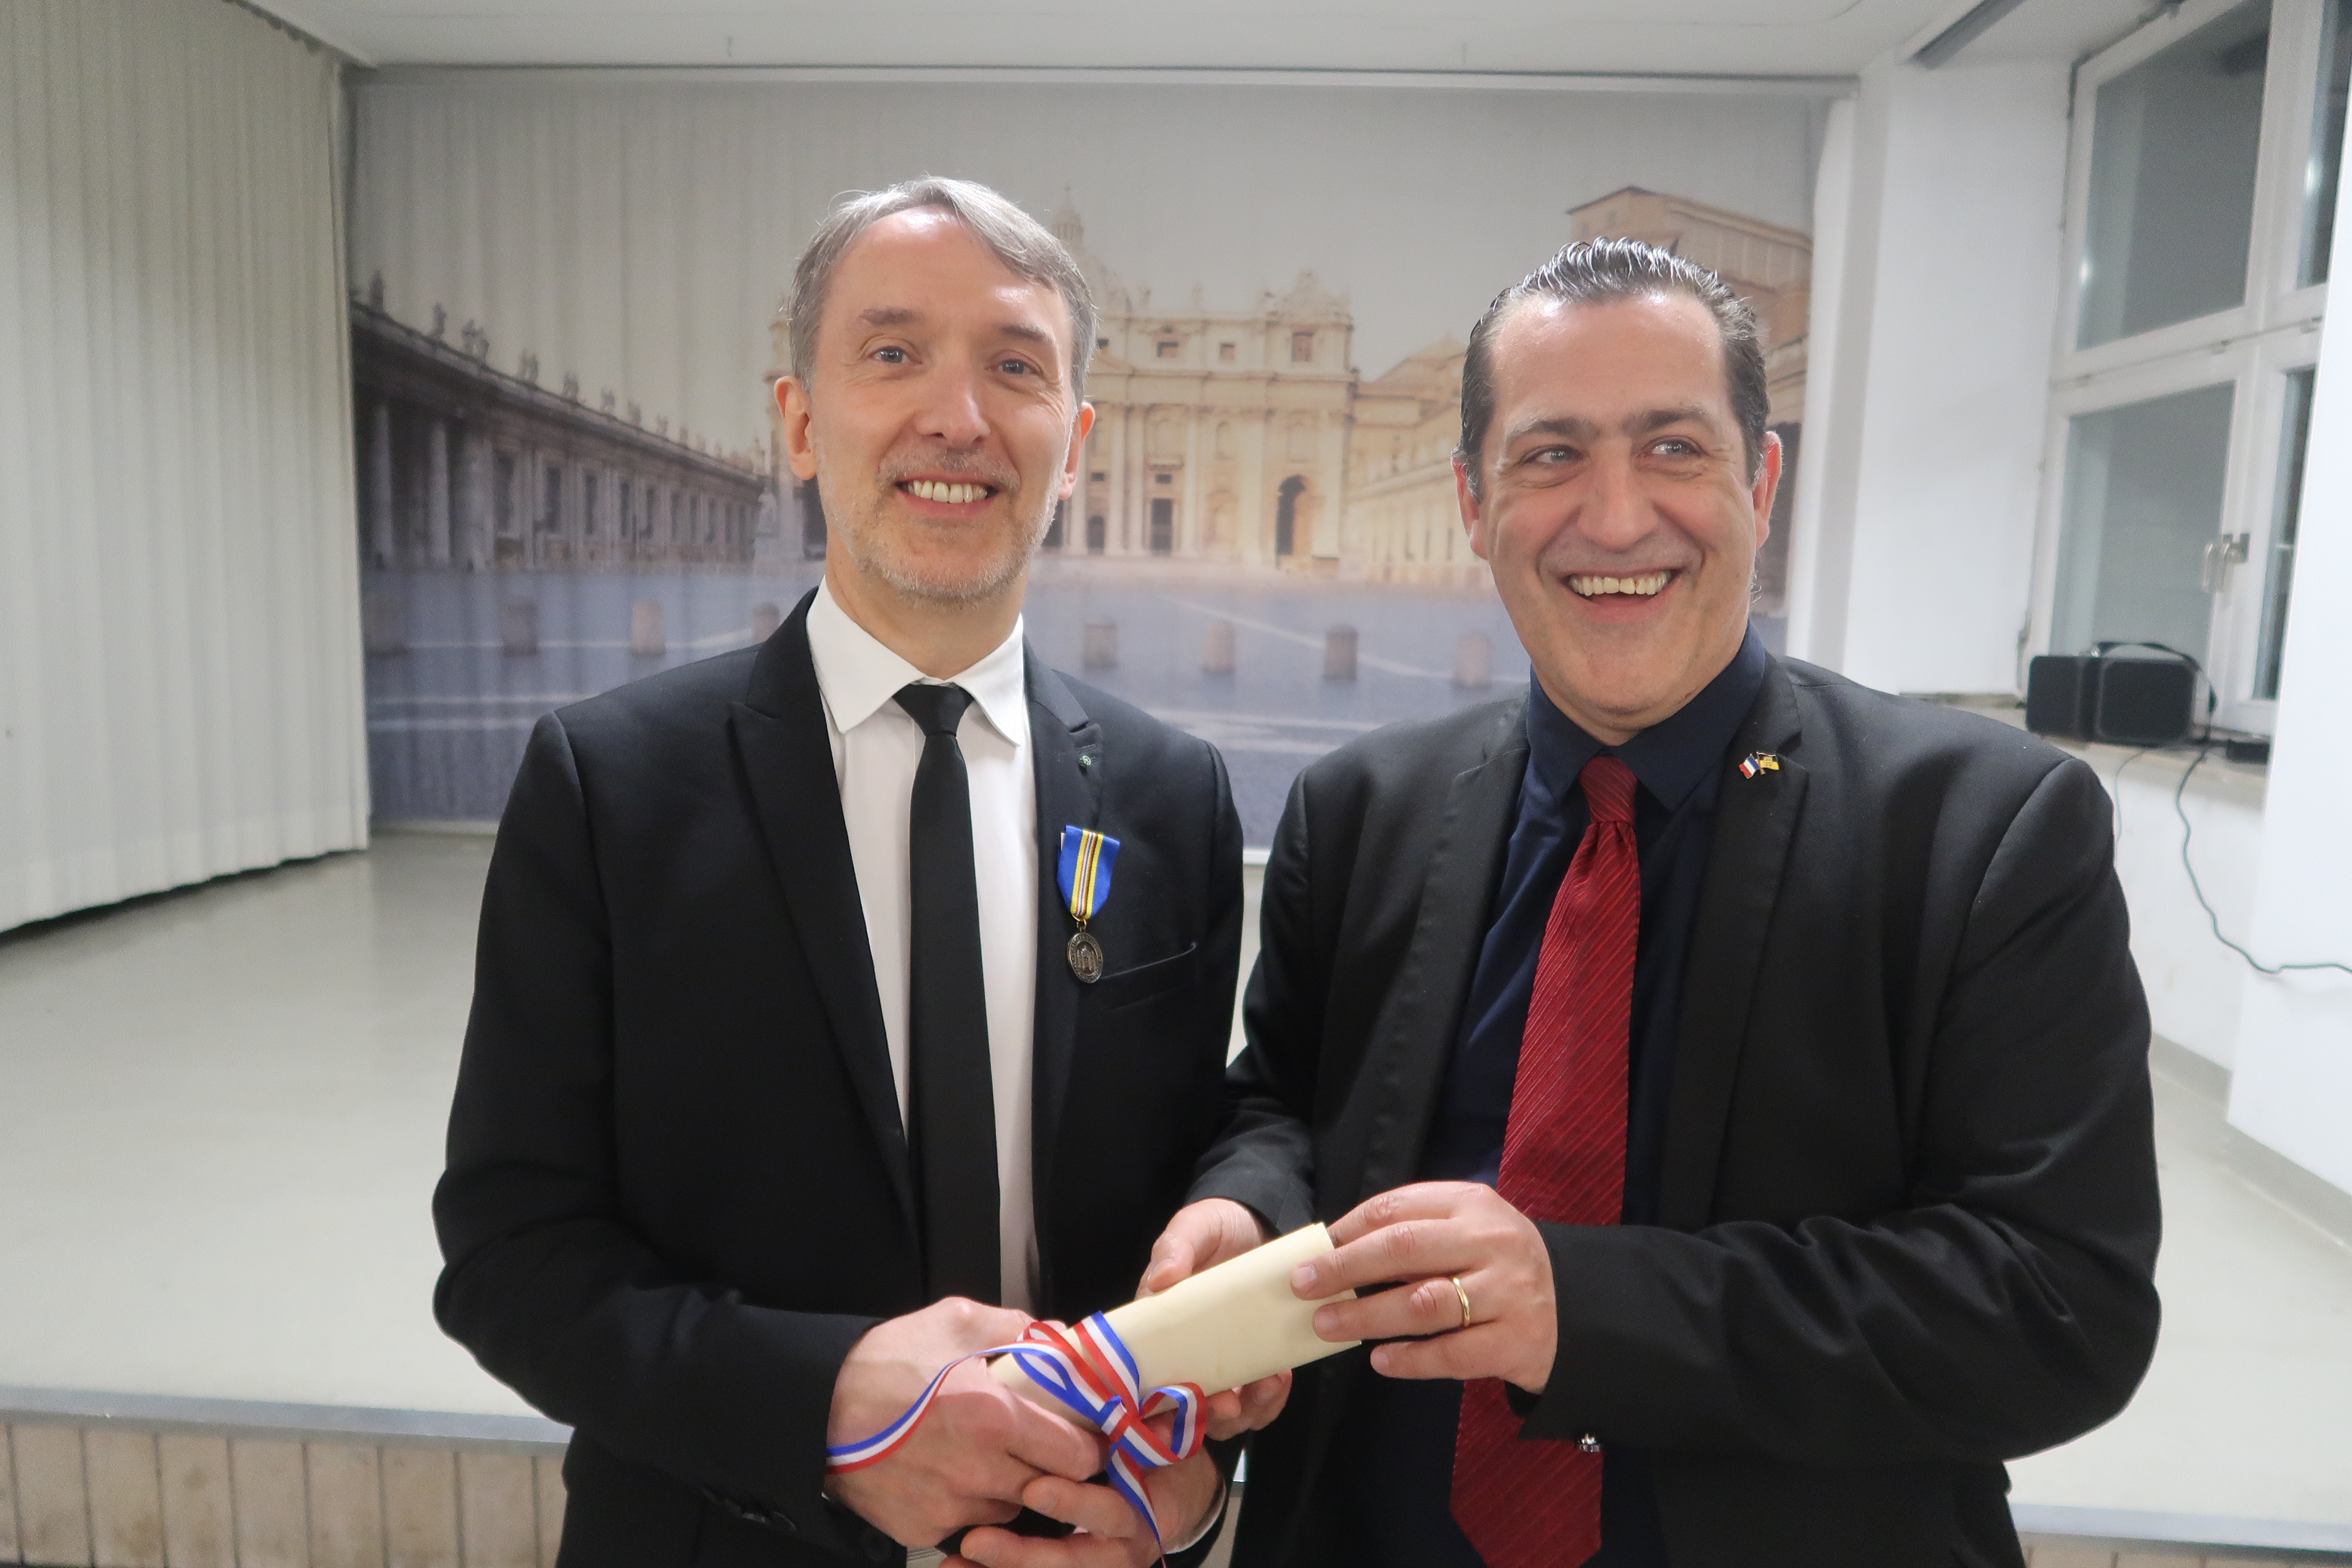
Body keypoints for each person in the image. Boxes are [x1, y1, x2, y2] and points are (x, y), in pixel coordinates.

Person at [1144, 239, 2161, 1568]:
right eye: (1551, 454)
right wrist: (1252, 1219)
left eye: (1673, 448)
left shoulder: (1981, 831)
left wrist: (1582, 1307)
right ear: (1473, 501)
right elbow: (1283, 1103)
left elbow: (2059, 1306)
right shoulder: (1362, 810)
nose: (1617, 519)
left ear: (1762, 482)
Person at [434, 177, 1280, 1568]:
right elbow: (510, 1253)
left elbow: (1201, 1162)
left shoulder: (1168, 792)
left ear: (1074, 443)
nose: (958, 416)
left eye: (1016, 366)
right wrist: (829, 1403)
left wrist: (1191, 1487)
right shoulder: (612, 787)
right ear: (799, 422)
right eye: (893, 353)